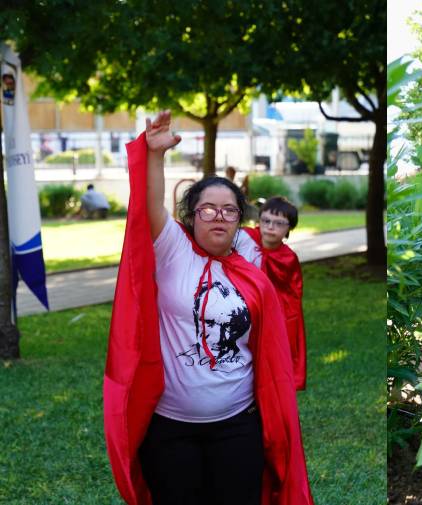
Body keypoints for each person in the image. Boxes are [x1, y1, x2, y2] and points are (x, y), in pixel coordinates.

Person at [103, 111, 313, 504]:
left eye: (230, 210)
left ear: (239, 219)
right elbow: (147, 205)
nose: (219, 216)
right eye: (208, 208)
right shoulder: (173, 250)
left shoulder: (251, 264)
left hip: (238, 425)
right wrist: (155, 155)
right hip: (170, 430)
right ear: (191, 215)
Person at [239, 196, 307, 391]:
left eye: (279, 223)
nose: (270, 227)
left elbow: (290, 297)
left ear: (289, 229)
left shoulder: (288, 258)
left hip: (268, 314)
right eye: (266, 221)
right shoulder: (243, 239)